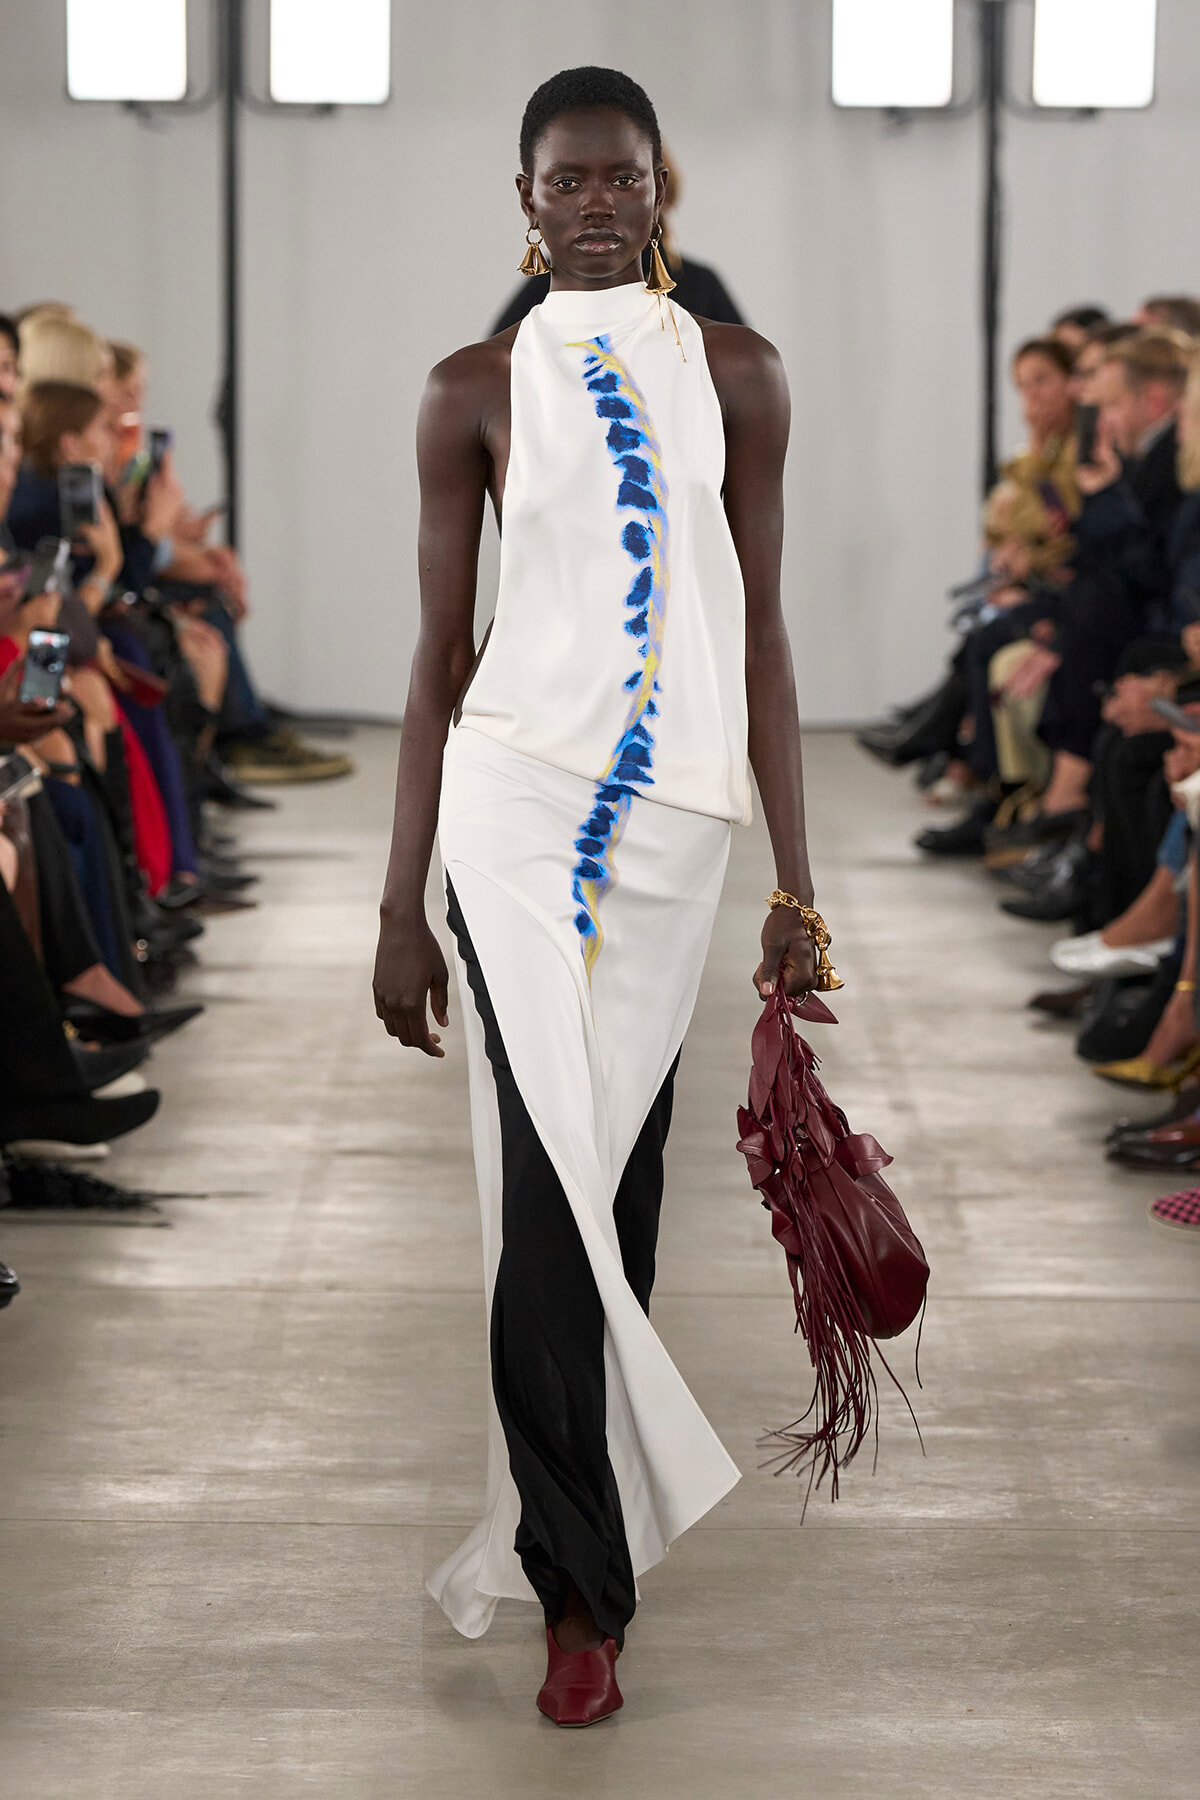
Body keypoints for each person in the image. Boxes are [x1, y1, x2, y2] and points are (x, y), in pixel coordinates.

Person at [372, 65, 824, 1727]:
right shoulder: (469, 391)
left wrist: (797, 882)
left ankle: (585, 1529)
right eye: (564, 180)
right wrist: (400, 902)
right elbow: (437, 661)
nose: (594, 204)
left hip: (674, 829)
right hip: (508, 806)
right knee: (545, 1180)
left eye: (620, 176)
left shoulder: (742, 376)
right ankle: (580, 1595)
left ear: (661, 186)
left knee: (611, 1178)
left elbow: (760, 636)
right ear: (524, 199)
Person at [489, 141, 745, 334]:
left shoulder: (702, 285)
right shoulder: (551, 282)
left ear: (659, 195)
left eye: (624, 181)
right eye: (569, 183)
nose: (598, 205)